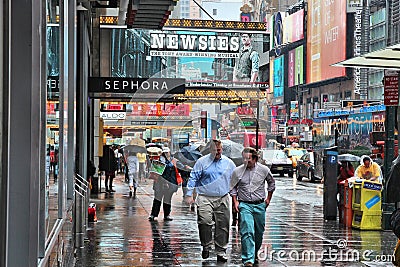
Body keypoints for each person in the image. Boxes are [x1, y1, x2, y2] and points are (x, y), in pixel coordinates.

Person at [184, 139, 236, 263]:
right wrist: (189, 194)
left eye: (219, 150)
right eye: (214, 150)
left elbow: (236, 180)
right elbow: (193, 178)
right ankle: (206, 245)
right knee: (204, 222)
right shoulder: (202, 162)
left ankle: (221, 251)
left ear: (222, 149)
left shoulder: (229, 163)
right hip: (204, 197)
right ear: (210, 150)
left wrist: (236, 198)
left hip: (222, 197)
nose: (217, 152)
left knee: (223, 225)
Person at [230, 147, 275, 267]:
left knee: (259, 232)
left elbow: (271, 183)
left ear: (255, 159)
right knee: (247, 231)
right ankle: (248, 259)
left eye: (248, 159)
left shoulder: (263, 170)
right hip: (244, 205)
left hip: (260, 205)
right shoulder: (237, 171)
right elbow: (233, 187)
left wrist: (268, 199)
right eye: (244, 159)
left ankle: (254, 252)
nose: (245, 161)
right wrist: (235, 201)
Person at [148, 147, 180, 222]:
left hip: (170, 183)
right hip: (159, 184)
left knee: (167, 200)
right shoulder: (159, 160)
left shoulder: (173, 161)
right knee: (157, 199)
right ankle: (154, 214)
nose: (166, 154)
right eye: (164, 153)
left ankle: (167, 215)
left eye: (167, 152)